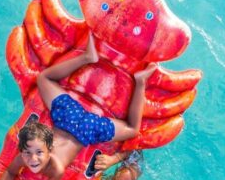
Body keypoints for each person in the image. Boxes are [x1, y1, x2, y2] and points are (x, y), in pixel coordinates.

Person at [36, 33, 157, 169]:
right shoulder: (40, 161)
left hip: (86, 131)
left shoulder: (54, 171)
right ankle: (87, 57)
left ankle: (141, 81)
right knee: (44, 78)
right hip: (67, 118)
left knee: (132, 129)